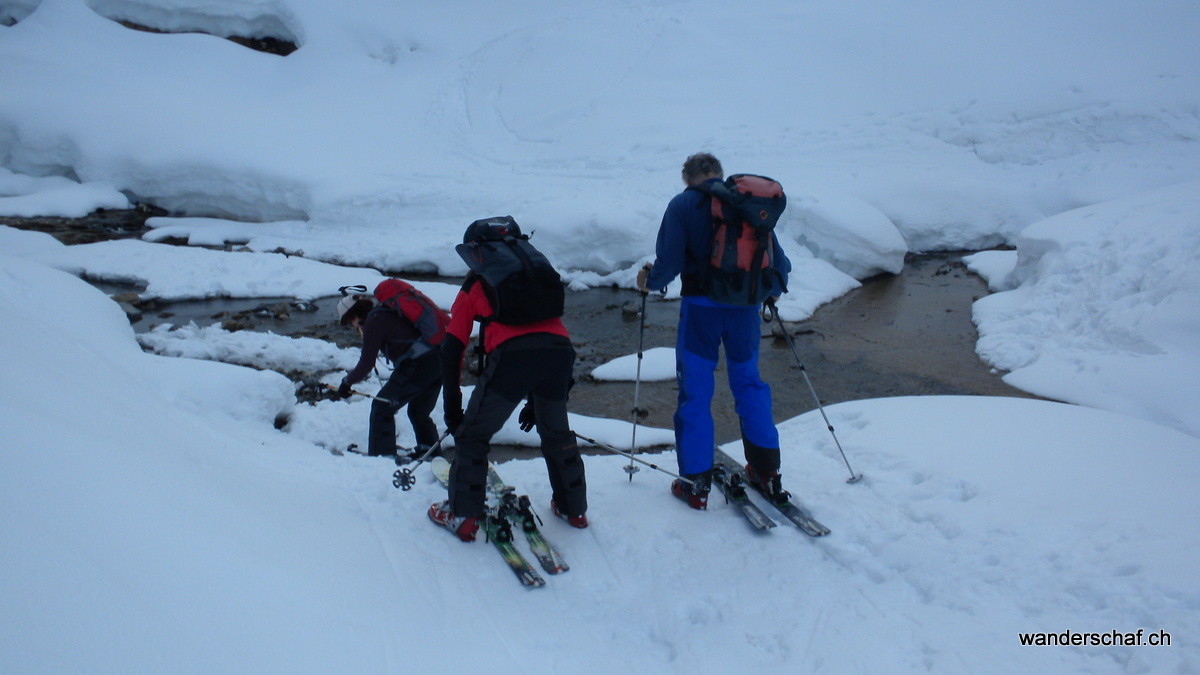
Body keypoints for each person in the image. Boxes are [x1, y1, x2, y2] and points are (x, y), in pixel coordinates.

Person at [636, 152, 793, 510]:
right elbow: (777, 263)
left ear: (686, 178)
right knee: (750, 385)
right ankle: (767, 471)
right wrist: (768, 294)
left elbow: (670, 261)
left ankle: (695, 482)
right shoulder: (747, 203)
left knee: (695, 393)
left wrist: (650, 281)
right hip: (745, 315)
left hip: (701, 313)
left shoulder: (683, 205)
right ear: (719, 174)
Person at [429, 219, 588, 542]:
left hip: (512, 359)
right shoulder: (533, 275)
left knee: (472, 436)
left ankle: (463, 516)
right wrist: (536, 401)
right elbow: (549, 337)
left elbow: (452, 348)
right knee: (557, 434)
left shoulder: (477, 285)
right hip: (560, 354)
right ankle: (574, 509)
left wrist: (452, 409)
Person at [335, 293, 442, 458]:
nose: (354, 326)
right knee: (418, 412)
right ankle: (431, 453)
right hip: (438, 361)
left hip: (416, 366)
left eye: (350, 322)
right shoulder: (385, 312)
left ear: (354, 314)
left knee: (381, 408)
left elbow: (366, 364)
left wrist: (347, 382)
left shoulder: (373, 321)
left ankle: (382, 457)